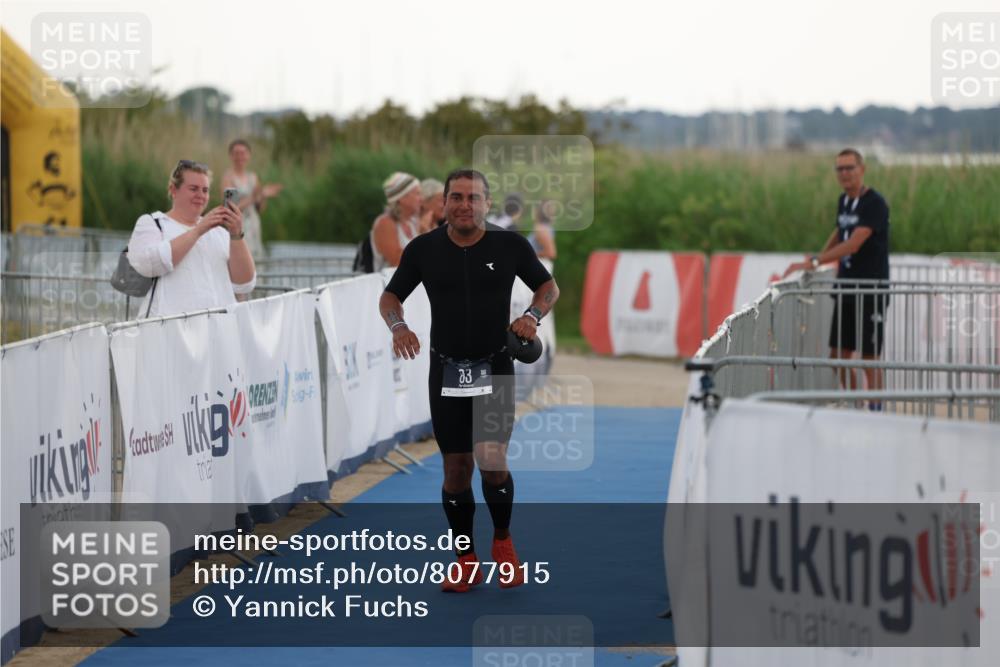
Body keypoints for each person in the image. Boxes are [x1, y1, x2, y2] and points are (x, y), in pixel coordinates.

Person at [379, 168, 559, 592]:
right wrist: (398, 326)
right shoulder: (423, 249)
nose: (464, 205)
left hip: (494, 366)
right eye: (456, 197)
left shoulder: (509, 245)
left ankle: (503, 544)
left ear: (487, 204)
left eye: (473, 197)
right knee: (456, 471)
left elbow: (548, 287)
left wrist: (532, 316)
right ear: (443, 203)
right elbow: (390, 296)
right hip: (445, 370)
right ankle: (465, 560)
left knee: (491, 462)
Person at [783, 148, 890, 400]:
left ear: (862, 169)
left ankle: (876, 413)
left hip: (870, 292)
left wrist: (817, 260)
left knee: (869, 360)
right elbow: (840, 231)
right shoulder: (843, 200)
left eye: (849, 168)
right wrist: (816, 260)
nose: (844, 173)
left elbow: (853, 243)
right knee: (837, 358)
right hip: (845, 289)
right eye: (839, 169)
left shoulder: (875, 203)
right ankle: (856, 406)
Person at [127, 160, 256, 318]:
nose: (201, 195)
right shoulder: (152, 223)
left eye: (205, 190)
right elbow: (148, 265)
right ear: (173, 190)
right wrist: (198, 230)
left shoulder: (220, 233)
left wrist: (236, 234)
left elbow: (245, 284)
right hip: (171, 328)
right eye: (193, 189)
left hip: (219, 328)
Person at [221, 139, 282, 259]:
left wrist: (263, 196)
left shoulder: (253, 177)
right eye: (236, 153)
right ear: (231, 156)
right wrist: (255, 196)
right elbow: (230, 209)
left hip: (254, 226)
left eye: (243, 153)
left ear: (248, 155)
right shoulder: (228, 178)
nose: (240, 157)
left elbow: (260, 209)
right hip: (238, 228)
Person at [371, 172, 422, 270]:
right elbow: (397, 261)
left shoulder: (412, 223)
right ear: (402, 198)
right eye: (417, 193)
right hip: (387, 279)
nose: (421, 199)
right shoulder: (385, 223)